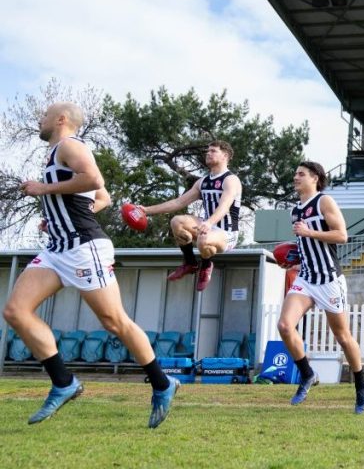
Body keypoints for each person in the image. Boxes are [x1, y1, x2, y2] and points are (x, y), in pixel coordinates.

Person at [4, 102, 178, 428]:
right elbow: (103, 197)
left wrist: (44, 189)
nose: (39, 120)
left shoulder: (70, 146)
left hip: (85, 248)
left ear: (61, 119)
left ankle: (162, 383)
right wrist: (57, 216)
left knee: (114, 321)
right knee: (15, 311)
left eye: (43, 115)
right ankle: (63, 382)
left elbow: (93, 178)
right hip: (57, 248)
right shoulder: (57, 152)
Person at [276, 161, 364, 413]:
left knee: (342, 336)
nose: (295, 177)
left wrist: (309, 233)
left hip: (329, 279)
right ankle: (307, 374)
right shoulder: (295, 210)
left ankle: (361, 385)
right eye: (295, 173)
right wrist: (292, 259)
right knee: (284, 325)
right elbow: (305, 244)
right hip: (306, 277)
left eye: (301, 174)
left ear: (315, 178)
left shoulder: (324, 202)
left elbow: (342, 236)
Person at [140, 140, 241, 291]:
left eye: (213, 151)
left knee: (203, 239)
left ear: (225, 156)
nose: (208, 153)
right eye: (208, 150)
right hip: (208, 227)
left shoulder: (231, 180)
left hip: (227, 233)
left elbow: (224, 206)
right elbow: (178, 203)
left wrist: (208, 223)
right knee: (177, 221)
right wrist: (146, 210)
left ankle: (206, 266)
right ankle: (190, 263)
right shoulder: (202, 182)